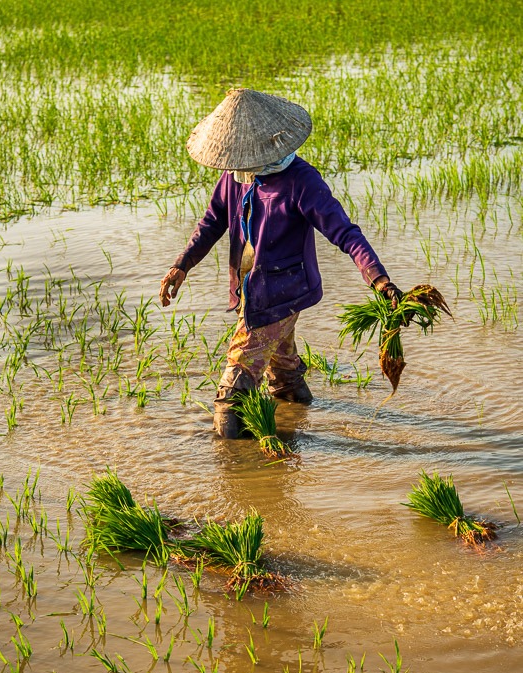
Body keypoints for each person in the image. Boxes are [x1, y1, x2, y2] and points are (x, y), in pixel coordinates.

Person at [159, 88, 402, 438]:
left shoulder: (300, 182)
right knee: (283, 374)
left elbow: (345, 232)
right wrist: (182, 265)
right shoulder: (236, 176)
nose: (236, 165)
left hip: (280, 296)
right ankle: (296, 428)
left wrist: (378, 278)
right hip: (251, 293)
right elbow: (213, 221)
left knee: (233, 391)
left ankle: (235, 471)